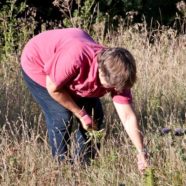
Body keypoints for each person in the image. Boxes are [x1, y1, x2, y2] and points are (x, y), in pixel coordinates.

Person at [20, 27, 148, 173]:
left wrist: (141, 152)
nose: (112, 90)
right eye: (109, 86)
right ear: (100, 70)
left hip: (69, 71)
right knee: (62, 116)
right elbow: (53, 88)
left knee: (95, 115)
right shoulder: (76, 56)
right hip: (38, 64)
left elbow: (127, 116)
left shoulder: (119, 73)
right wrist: (81, 114)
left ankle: (84, 168)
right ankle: (62, 170)